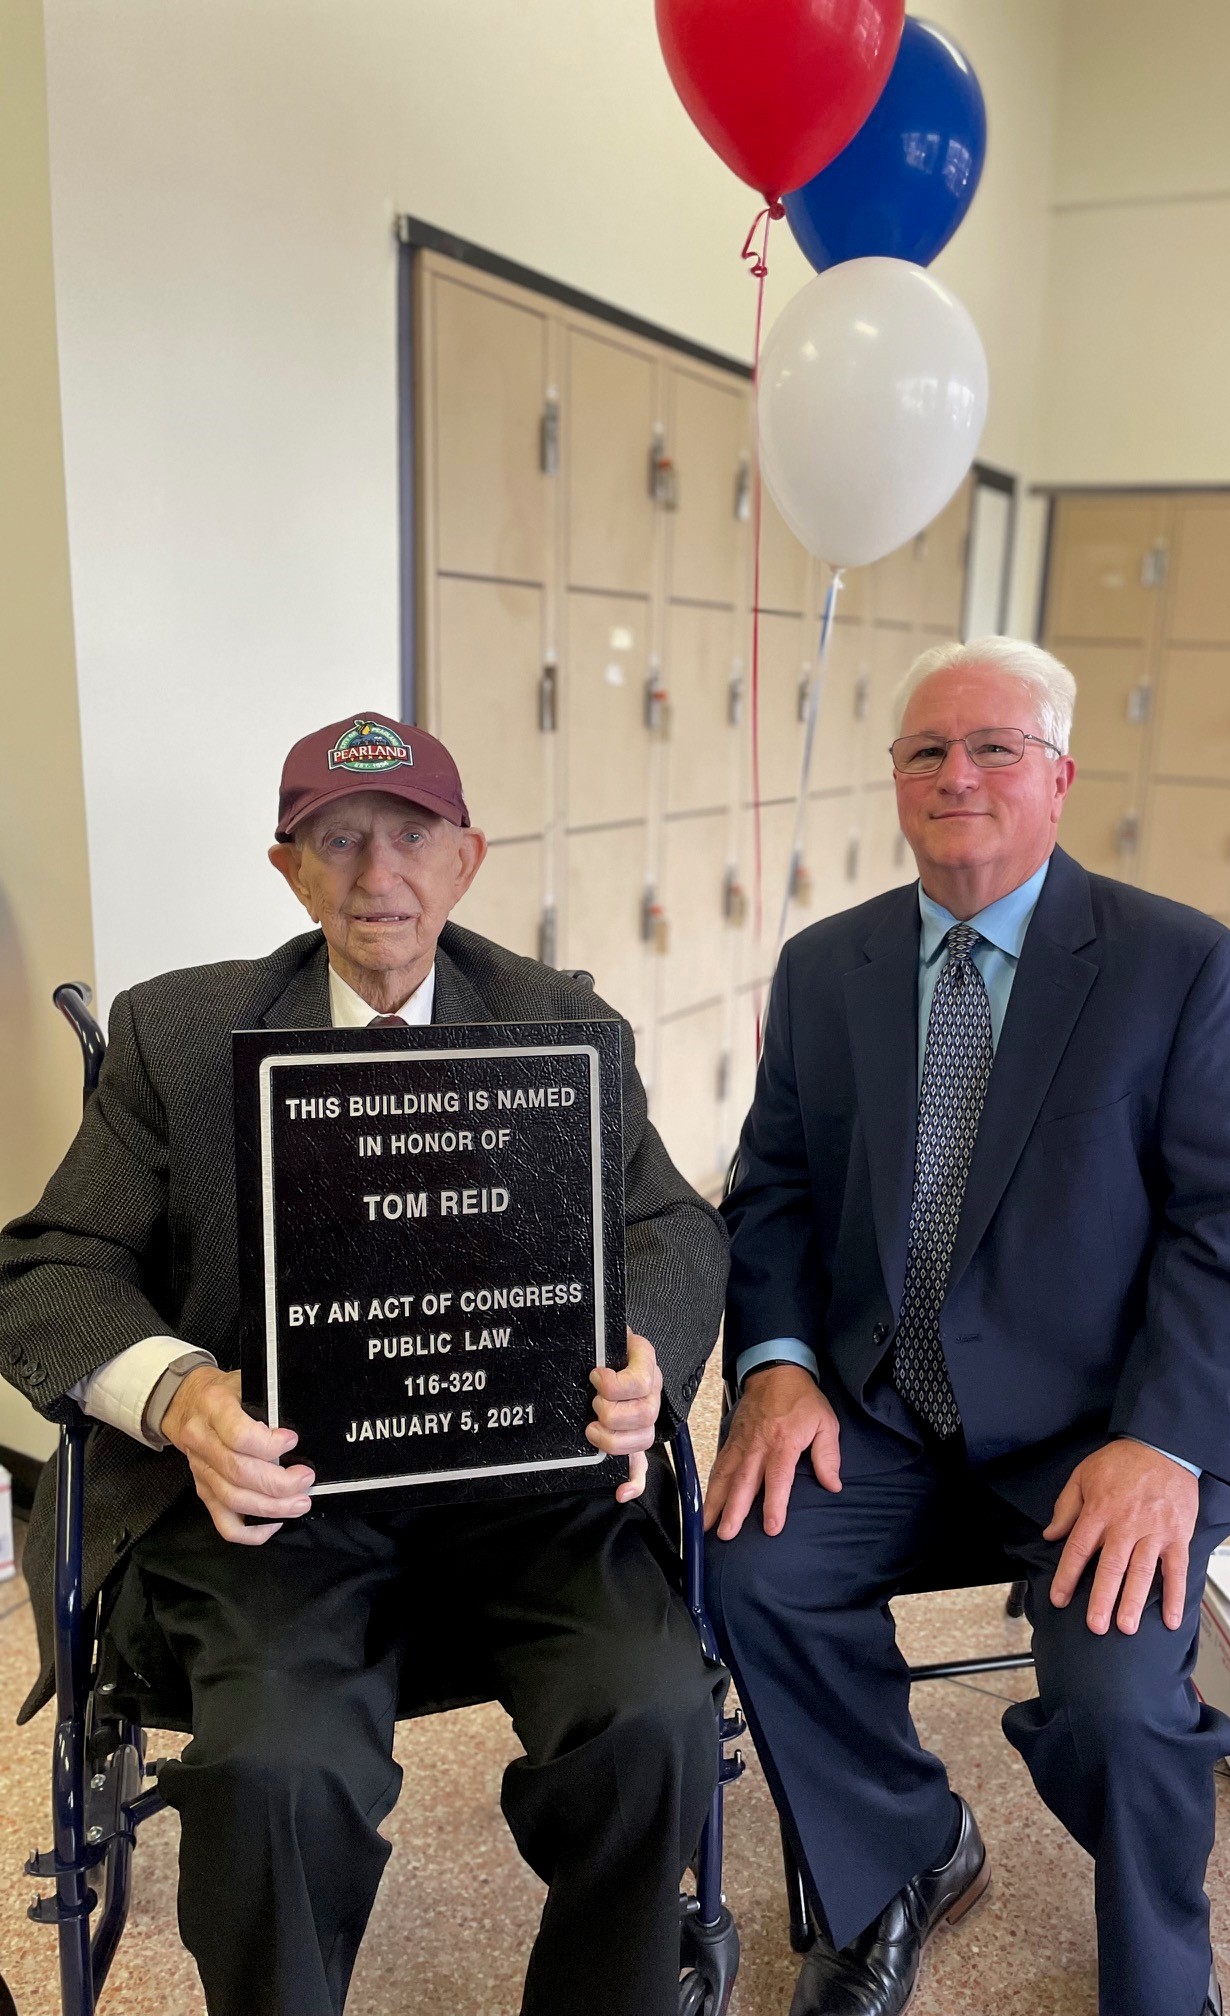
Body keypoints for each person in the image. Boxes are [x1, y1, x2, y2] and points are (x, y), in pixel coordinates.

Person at [0, 710, 730, 2016]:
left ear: (467, 860)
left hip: (525, 1491)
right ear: (288, 869)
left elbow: (669, 1221)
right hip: (286, 1509)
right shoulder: (180, 1033)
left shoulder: (562, 1020)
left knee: (654, 1717)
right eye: (337, 838)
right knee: (273, 1776)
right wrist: (178, 1395)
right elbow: (50, 1266)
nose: (375, 874)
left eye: (411, 837)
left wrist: (647, 1358)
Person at [704, 639, 1230, 2016]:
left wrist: (1166, 1441)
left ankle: (1163, 1970)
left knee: (1119, 1702)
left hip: (1099, 1431)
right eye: (925, 751)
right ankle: (905, 1851)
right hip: (883, 1408)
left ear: (1061, 777)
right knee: (751, 1572)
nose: (955, 774)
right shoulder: (825, 966)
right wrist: (779, 1367)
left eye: (993, 748)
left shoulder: (1175, 965)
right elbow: (772, 1194)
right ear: (896, 780)